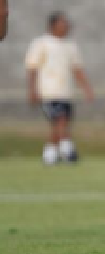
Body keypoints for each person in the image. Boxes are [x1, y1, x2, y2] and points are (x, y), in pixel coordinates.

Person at [26, 12, 95, 165]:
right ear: (53, 25)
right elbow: (32, 68)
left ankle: (49, 155)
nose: (66, 27)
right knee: (60, 120)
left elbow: (77, 69)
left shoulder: (70, 46)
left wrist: (87, 89)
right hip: (48, 92)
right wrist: (32, 90)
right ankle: (68, 150)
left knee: (59, 124)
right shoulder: (41, 44)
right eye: (62, 23)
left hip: (65, 92)